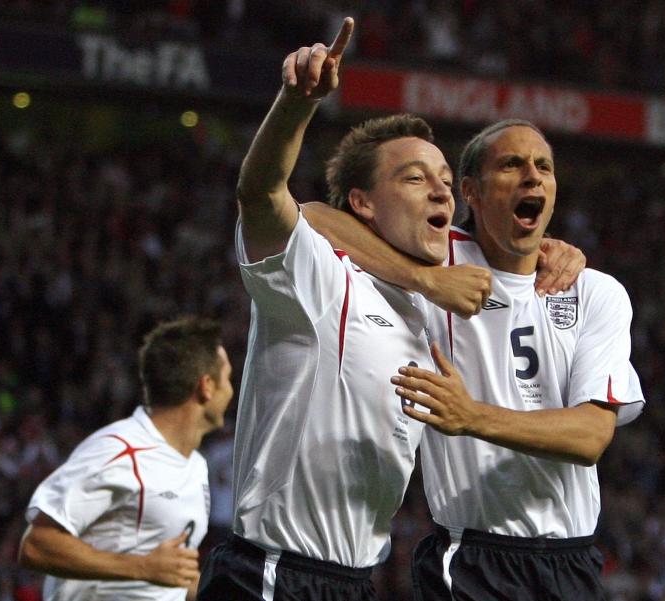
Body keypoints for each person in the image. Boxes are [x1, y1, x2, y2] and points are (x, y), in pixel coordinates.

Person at [195, 18, 491, 601]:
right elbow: (266, 197)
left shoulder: (427, 303)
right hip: (274, 573)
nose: (441, 192)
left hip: (355, 580)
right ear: (363, 202)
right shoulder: (324, 277)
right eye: (414, 178)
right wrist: (294, 105)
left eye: (444, 181)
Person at [306, 119, 645, 600]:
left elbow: (591, 435)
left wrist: (473, 417)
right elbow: (312, 216)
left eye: (543, 166)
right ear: (471, 191)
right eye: (511, 164)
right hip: (471, 562)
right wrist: (422, 280)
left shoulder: (595, 291)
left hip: (573, 562)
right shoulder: (434, 257)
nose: (532, 175)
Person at [18, 316, 234, 600]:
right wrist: (143, 567)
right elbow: (36, 545)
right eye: (228, 378)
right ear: (206, 386)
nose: (231, 389)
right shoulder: (120, 450)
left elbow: (170, 575)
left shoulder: (195, 466)